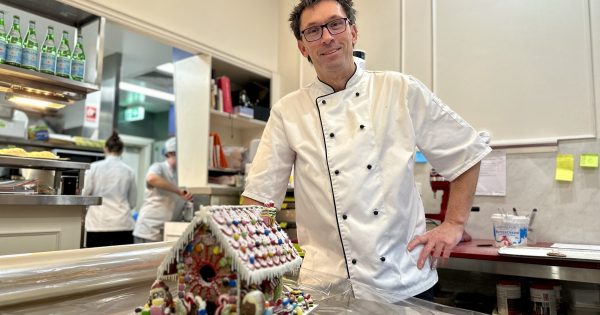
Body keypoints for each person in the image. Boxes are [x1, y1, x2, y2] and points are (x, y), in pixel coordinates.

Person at [242, 0, 491, 302]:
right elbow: (258, 199)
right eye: (313, 31)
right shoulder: (287, 112)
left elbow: (466, 153)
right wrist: (249, 268)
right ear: (302, 47)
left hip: (403, 281)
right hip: (325, 288)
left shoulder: (400, 89)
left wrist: (454, 224)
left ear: (353, 31)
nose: (327, 37)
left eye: (336, 24)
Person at [82, 131, 137, 247]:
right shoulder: (129, 171)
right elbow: (132, 203)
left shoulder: (94, 167)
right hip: (123, 225)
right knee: (122, 264)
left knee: (97, 262)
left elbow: (85, 195)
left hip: (98, 225)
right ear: (121, 151)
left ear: (105, 148)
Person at [133, 137, 192, 243]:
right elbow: (151, 178)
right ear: (170, 154)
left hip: (167, 231)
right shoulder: (158, 167)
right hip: (148, 230)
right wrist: (178, 191)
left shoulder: (180, 175)